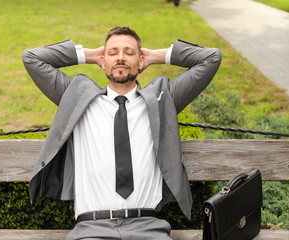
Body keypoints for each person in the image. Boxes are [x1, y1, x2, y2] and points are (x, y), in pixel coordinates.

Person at [22, 26, 221, 239]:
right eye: (113, 52)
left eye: (129, 52)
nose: (120, 58)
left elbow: (211, 58)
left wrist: (156, 56)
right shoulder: (78, 99)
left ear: (141, 60)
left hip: (147, 228)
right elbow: (32, 58)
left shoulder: (162, 99)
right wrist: (89, 55)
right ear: (103, 60)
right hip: (91, 229)